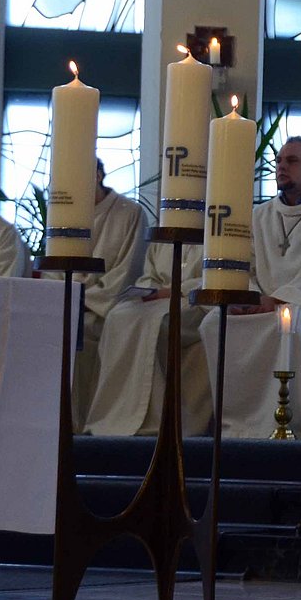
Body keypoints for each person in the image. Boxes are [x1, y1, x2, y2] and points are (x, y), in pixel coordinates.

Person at [201, 136, 301, 438]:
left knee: (295, 329)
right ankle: (238, 426)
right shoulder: (258, 215)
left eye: (292, 161)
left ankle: (298, 427)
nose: (281, 167)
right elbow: (244, 262)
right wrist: (249, 297)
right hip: (258, 304)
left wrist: (277, 300)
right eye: (279, 161)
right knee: (214, 323)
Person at [82, 231, 211, 437]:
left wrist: (178, 289)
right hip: (159, 299)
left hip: (196, 301)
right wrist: (148, 290)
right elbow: (149, 276)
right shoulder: (165, 230)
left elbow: (220, 274)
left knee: (158, 321)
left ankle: (153, 419)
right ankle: (114, 414)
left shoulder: (217, 226)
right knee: (117, 316)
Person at [69, 159, 147, 424]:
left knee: (82, 334)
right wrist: (63, 298)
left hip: (102, 308)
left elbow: (128, 270)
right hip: (70, 306)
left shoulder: (130, 213)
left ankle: (84, 424)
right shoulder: (64, 213)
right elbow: (54, 269)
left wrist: (83, 299)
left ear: (99, 175)